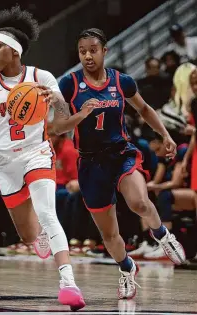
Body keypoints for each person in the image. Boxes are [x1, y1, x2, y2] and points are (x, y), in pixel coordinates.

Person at [0, 6, 85, 310]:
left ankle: (68, 281)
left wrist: (55, 98)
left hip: (37, 153)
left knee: (47, 213)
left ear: (14, 51)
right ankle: (39, 237)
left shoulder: (40, 76)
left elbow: (63, 116)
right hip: (5, 164)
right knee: (29, 232)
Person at [57, 28, 186, 300]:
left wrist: (165, 135)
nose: (88, 56)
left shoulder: (121, 81)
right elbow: (56, 126)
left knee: (139, 202)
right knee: (109, 234)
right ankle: (127, 269)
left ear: (105, 51)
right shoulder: (69, 84)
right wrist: (81, 114)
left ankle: (163, 235)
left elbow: (145, 109)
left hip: (122, 153)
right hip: (90, 163)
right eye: (83, 51)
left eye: (93, 50)